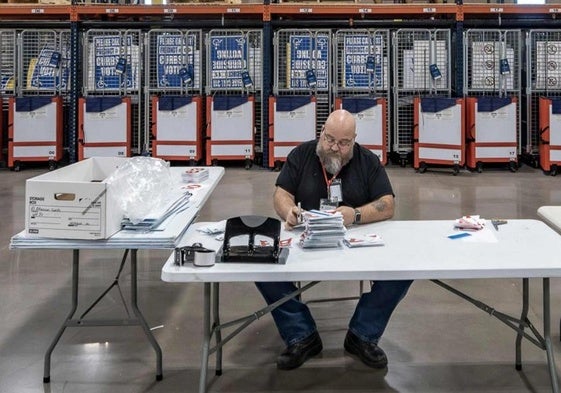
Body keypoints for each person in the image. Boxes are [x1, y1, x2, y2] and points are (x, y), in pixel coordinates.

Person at [256, 109, 413, 370]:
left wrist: (357, 214)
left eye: (343, 143)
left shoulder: (367, 161)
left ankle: (362, 335)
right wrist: (289, 212)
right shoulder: (302, 155)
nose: (334, 148)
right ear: (321, 133)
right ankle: (301, 335)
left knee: (405, 269)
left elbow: (388, 204)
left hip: (355, 241)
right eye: (329, 139)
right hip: (307, 239)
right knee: (260, 266)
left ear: (354, 140)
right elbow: (280, 194)